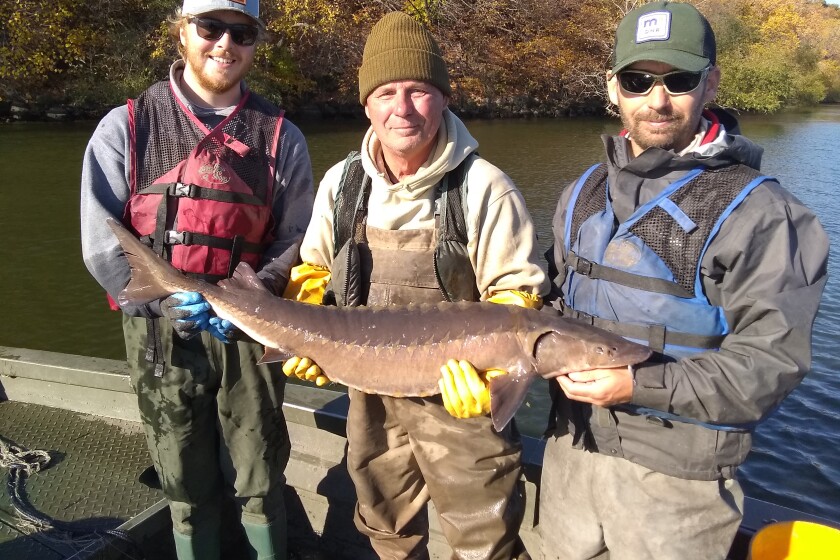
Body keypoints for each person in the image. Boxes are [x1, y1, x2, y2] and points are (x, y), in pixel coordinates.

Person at [540, 2, 829, 559]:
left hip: (678, 485)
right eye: (637, 80)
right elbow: (547, 305)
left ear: (711, 83)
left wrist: (637, 386)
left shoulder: (766, 214)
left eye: (679, 80)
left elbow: (769, 366)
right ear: (613, 87)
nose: (657, 99)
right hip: (569, 455)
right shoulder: (580, 193)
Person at [281, 11, 548, 559]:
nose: (401, 109)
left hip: (460, 400)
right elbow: (311, 272)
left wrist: (491, 371)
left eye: (419, 92)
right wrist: (302, 334)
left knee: (485, 540)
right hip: (369, 389)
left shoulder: (484, 188)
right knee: (385, 528)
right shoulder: (342, 182)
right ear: (367, 104)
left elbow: (519, 303)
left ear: (444, 99)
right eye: (386, 93)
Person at [80, 1, 314, 558]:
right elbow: (101, 238)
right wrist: (159, 306)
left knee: (260, 476)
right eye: (210, 27)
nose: (225, 44)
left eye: (242, 32)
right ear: (182, 32)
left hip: (252, 330)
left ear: (255, 43)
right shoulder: (128, 125)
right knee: (183, 480)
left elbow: (298, 237)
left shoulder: (282, 136)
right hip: (159, 329)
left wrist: (257, 299)